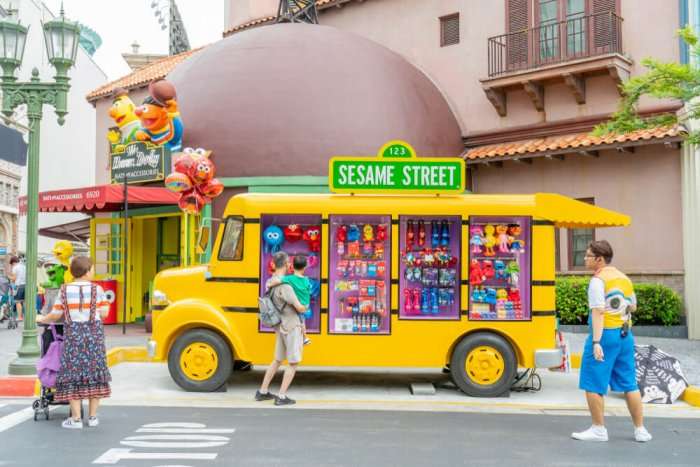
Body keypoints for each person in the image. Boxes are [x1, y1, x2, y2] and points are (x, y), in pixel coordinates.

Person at [572, 240, 652, 443]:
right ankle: (640, 430)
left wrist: (596, 342)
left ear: (599, 259)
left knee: (593, 382)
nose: (585, 258)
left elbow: (598, 311)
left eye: (588, 256)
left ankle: (598, 429)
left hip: (605, 334)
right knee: (629, 384)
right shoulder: (623, 278)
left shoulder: (598, 281)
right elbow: (633, 306)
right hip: (625, 335)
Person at [37, 256, 112, 429]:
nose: (93, 271)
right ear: (87, 271)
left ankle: (76, 419)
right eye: (92, 268)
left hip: (74, 336)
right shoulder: (98, 290)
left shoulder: (64, 290)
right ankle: (93, 418)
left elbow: (55, 315)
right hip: (94, 336)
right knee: (95, 374)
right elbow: (105, 314)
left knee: (72, 375)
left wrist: (43, 318)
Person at [256, 251, 307, 406]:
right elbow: (300, 308)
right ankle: (282, 396)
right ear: (286, 265)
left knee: (277, 360)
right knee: (293, 363)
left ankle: (263, 391)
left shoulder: (270, 281)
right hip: (291, 326)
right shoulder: (286, 287)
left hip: (279, 327)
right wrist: (304, 306)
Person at [267, 254, 312, 345]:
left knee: (301, 320)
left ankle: (305, 337)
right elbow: (309, 290)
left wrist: (269, 284)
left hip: (299, 305)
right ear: (305, 268)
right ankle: (304, 337)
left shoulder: (289, 278)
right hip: (306, 304)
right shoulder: (307, 280)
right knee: (302, 320)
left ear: (292, 266)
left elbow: (278, 281)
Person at [8, 256, 25, 321]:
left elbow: (14, 279)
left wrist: (9, 277)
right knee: (25, 301)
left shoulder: (15, 267)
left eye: (12, 264)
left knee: (18, 302)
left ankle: (20, 317)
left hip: (19, 286)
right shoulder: (24, 266)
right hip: (26, 285)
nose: (12, 266)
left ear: (13, 262)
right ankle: (27, 317)